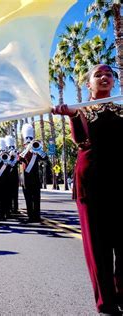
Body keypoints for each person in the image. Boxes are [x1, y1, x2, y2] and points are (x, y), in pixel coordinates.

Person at [53, 64, 123, 315]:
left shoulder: (122, 109)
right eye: (98, 75)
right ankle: (107, 301)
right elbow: (83, 142)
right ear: (88, 84)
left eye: (109, 75)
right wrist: (71, 115)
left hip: (121, 182)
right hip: (92, 182)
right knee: (98, 244)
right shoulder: (82, 110)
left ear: (114, 81)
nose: (104, 78)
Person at [19, 123, 47, 223]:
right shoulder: (23, 152)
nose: (29, 145)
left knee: (36, 198)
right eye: (27, 143)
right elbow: (19, 159)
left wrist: (38, 150)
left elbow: (45, 158)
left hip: (35, 178)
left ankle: (37, 216)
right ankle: (31, 217)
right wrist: (27, 149)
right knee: (28, 199)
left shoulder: (37, 150)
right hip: (25, 179)